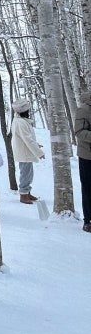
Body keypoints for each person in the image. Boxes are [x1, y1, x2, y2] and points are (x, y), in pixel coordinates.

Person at [10, 98, 44, 204]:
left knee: (28, 174)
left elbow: (28, 138)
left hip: (25, 151)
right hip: (24, 152)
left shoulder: (21, 121)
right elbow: (27, 139)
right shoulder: (20, 122)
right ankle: (23, 194)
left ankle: (27, 192)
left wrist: (36, 145)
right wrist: (39, 153)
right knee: (25, 174)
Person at [73, 89, 91, 232]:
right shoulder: (84, 110)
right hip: (87, 156)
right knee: (88, 188)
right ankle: (88, 220)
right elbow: (79, 132)